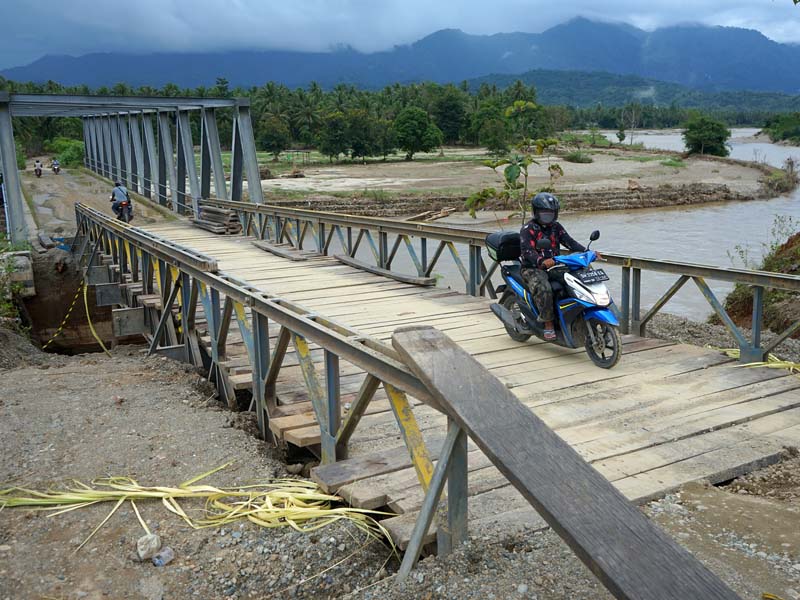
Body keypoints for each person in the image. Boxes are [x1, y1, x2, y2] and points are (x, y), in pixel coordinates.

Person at [519, 192, 601, 341]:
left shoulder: (556, 227)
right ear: (536, 212)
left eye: (551, 213)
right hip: (533, 268)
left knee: (579, 277)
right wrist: (540, 261)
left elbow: (570, 242)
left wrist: (588, 253)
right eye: (544, 214)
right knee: (544, 288)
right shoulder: (528, 229)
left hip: (555, 265)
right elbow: (527, 251)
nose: (548, 217)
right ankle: (548, 323)